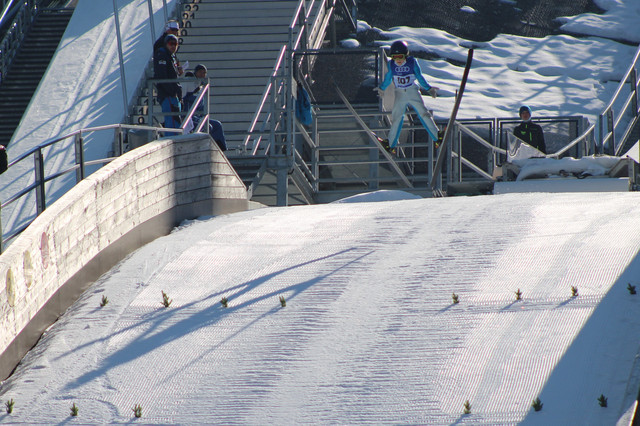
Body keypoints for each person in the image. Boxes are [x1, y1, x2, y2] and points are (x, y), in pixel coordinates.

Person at [375, 40, 440, 154]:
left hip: (412, 90)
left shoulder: (412, 62)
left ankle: (437, 136)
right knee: (397, 118)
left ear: (406, 55)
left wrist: (428, 88)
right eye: (395, 57)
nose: (398, 60)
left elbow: (419, 77)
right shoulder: (391, 64)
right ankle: (390, 145)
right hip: (399, 92)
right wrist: (382, 88)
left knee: (423, 113)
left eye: (400, 56)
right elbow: (388, 77)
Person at [183, 64, 227, 151]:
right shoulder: (189, 83)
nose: (202, 75)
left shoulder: (202, 87)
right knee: (207, 126)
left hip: (198, 116)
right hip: (189, 117)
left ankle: (219, 151)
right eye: (200, 72)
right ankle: (204, 149)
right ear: (195, 73)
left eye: (204, 73)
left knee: (217, 125)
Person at [154, 34, 182, 128]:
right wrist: (172, 92)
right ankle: (172, 141)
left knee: (176, 122)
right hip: (168, 95)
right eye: (171, 43)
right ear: (166, 44)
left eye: (175, 44)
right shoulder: (162, 54)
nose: (173, 46)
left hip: (172, 95)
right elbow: (162, 75)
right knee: (172, 123)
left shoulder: (171, 56)